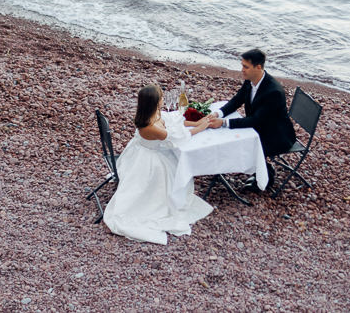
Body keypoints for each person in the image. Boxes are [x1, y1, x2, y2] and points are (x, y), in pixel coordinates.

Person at [103, 84, 213, 245]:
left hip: (141, 152)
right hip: (147, 161)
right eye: (161, 98)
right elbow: (175, 137)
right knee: (171, 177)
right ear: (155, 102)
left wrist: (195, 123)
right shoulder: (150, 126)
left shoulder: (151, 113)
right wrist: (202, 128)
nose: (163, 100)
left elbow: (173, 123)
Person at [207, 49, 295, 160]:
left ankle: (267, 172)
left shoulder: (273, 92)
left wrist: (223, 122)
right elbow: (237, 100)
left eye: (246, 67)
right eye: (242, 66)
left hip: (276, 137)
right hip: (259, 126)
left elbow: (255, 120)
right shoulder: (250, 79)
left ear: (258, 67)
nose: (242, 70)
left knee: (231, 143)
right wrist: (217, 114)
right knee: (223, 136)